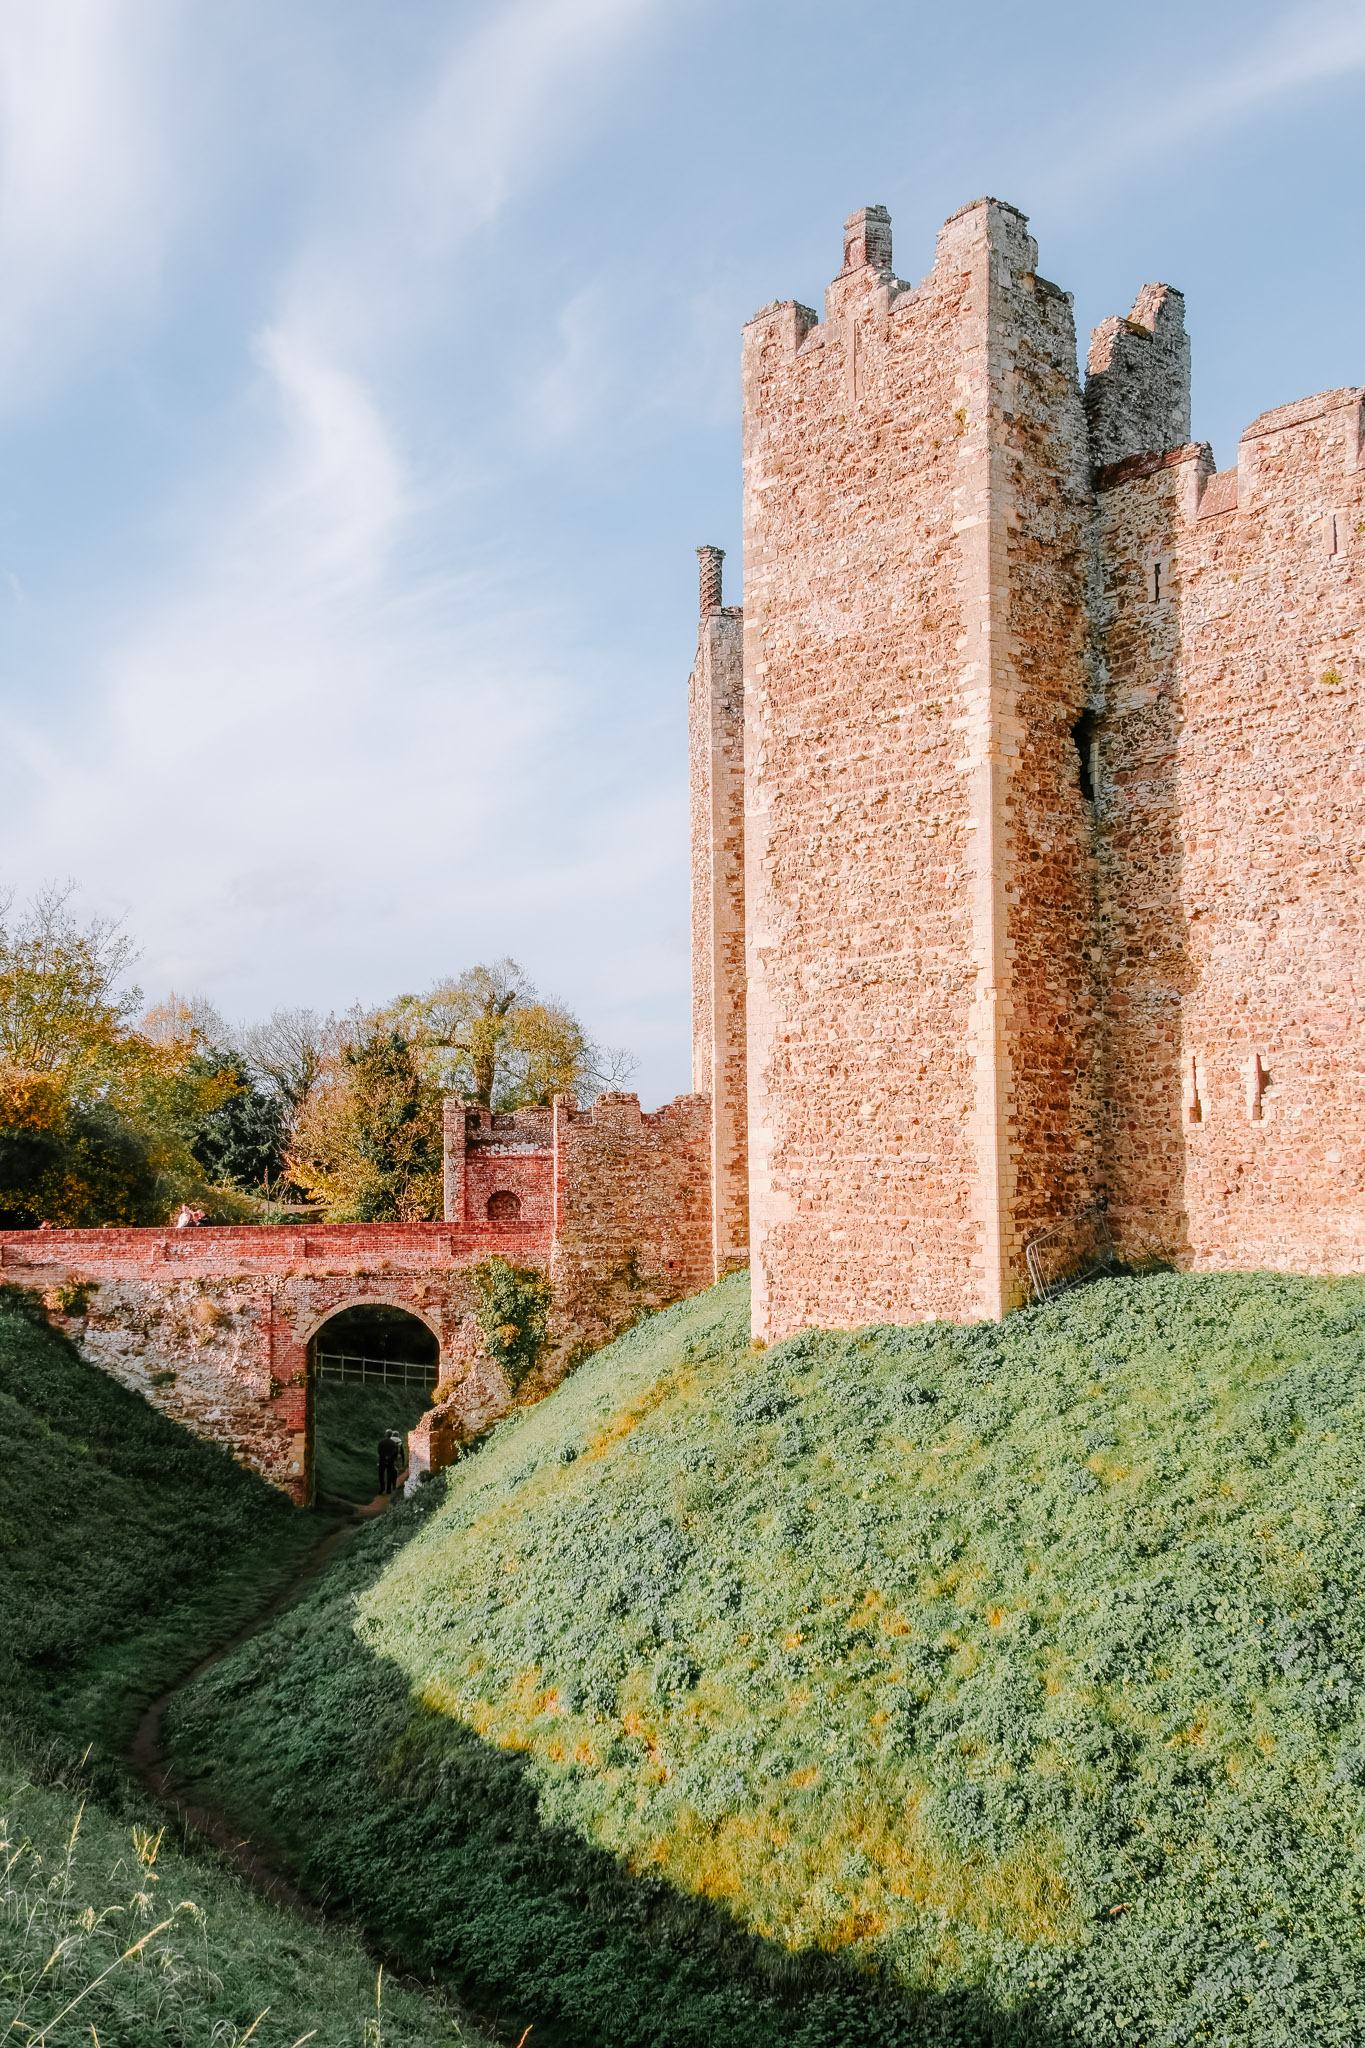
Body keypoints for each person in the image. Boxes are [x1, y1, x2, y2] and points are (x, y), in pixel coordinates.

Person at [377, 1429, 402, 1495]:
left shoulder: (382, 1442)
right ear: (391, 1435)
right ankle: (388, 1489)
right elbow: (395, 1452)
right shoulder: (393, 1443)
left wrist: (384, 1457)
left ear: (386, 1434)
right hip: (390, 1461)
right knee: (389, 1475)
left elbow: (379, 1450)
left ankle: (382, 1487)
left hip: (382, 1460)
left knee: (381, 1474)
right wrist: (390, 1458)